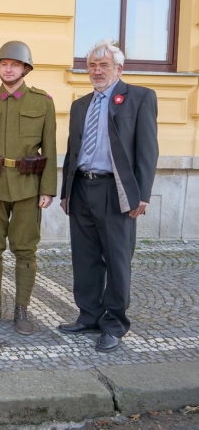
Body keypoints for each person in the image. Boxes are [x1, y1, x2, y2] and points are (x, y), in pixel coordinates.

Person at [59, 41, 158, 353]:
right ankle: (89, 315)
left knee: (116, 259)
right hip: (82, 189)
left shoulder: (139, 98)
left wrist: (141, 195)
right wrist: (65, 192)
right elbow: (72, 152)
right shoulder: (79, 105)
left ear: (119, 69)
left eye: (103, 65)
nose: (96, 71)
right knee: (85, 259)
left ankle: (114, 323)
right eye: (92, 65)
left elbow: (147, 149)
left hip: (115, 191)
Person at [0, 40, 57, 335]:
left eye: (14, 64)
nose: (8, 68)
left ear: (25, 69)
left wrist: (48, 188)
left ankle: (22, 307)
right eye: (3, 64)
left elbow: (51, 149)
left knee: (25, 249)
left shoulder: (42, 102)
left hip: (28, 186)